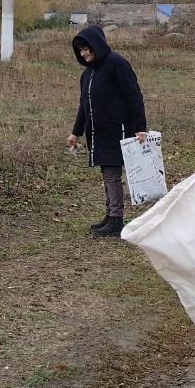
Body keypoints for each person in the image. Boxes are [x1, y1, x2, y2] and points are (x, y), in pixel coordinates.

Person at [66, 25, 149, 238]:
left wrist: (140, 127)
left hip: (116, 130)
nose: (84, 54)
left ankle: (116, 219)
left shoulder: (116, 64)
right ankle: (110, 215)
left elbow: (134, 96)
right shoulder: (87, 74)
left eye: (87, 48)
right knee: (107, 173)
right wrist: (76, 132)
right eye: (81, 50)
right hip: (98, 133)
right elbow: (84, 106)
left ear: (97, 45)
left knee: (112, 174)